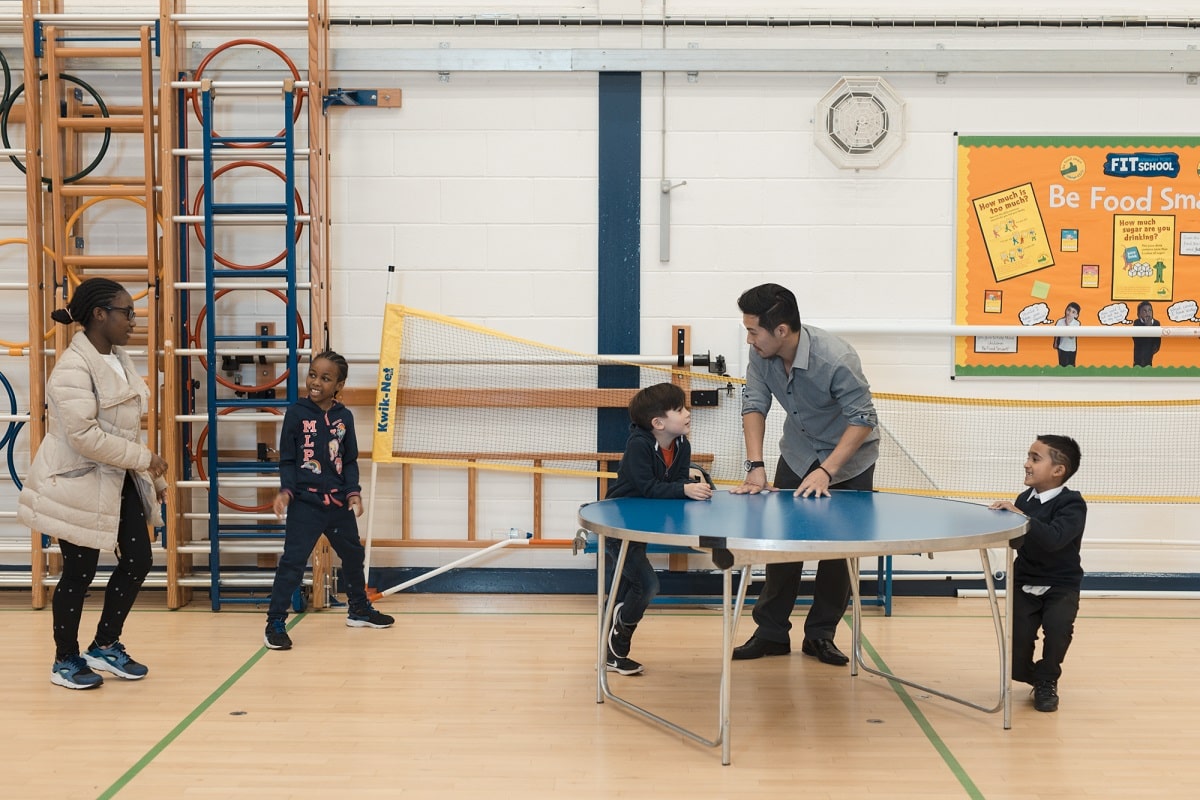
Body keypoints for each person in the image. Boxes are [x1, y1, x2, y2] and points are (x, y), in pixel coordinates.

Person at [18, 278, 168, 689]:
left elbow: (123, 431)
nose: (134, 320)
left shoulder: (120, 358)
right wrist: (145, 459)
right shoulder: (72, 367)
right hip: (76, 483)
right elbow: (85, 437)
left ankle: (104, 645)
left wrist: (148, 479)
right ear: (99, 314)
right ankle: (64, 660)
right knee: (79, 571)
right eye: (127, 312)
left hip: (117, 478)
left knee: (138, 561)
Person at [731, 284, 879, 667]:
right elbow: (754, 403)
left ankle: (820, 636)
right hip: (797, 454)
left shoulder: (837, 358)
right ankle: (771, 633)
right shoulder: (760, 354)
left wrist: (828, 471)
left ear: (781, 330)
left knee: (838, 554)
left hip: (849, 460)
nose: (749, 338)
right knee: (782, 546)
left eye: (753, 331)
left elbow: (863, 419)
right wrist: (756, 466)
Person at [264, 350, 394, 650]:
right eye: (313, 375)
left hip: (337, 505)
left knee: (353, 557)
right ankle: (275, 622)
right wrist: (286, 491)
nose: (316, 382)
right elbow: (287, 460)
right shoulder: (296, 413)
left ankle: (359, 610)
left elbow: (349, 461)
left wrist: (353, 493)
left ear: (339, 385)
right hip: (305, 505)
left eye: (325, 378)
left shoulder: (344, 417)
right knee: (293, 563)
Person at [603, 382, 714, 675]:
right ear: (658, 423)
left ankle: (612, 654)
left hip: (644, 525)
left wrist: (692, 485)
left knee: (628, 588)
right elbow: (649, 487)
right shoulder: (638, 445)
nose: (688, 413)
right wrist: (685, 489)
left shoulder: (681, 445)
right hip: (619, 526)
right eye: (680, 409)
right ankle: (617, 640)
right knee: (647, 585)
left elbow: (673, 483)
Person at [989, 435, 1086, 713]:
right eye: (1028, 457)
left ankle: (1047, 680)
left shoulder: (1072, 505)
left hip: (1061, 585)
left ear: (1058, 471)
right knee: (1017, 652)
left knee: (1057, 632)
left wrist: (1020, 517)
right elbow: (1019, 541)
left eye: (1035, 458)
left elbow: (1055, 538)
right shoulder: (1024, 500)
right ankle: (1033, 675)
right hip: (1024, 582)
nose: (1026, 464)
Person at [1132, 301, 1161, 367]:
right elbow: (1136, 339)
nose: (1148, 313)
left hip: (1150, 351)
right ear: (1139, 314)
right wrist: (1146, 327)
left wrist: (1154, 349)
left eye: (1149, 310)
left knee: (1148, 366)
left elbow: (1158, 340)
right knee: (1138, 366)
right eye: (1144, 311)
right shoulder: (1137, 323)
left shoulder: (1156, 323)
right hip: (1139, 352)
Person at [1052, 301, 1081, 367]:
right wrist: (1055, 342)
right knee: (1062, 364)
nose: (1070, 313)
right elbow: (1056, 333)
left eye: (1073, 312)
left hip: (1072, 349)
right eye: (1069, 310)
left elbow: (1071, 336)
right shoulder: (1060, 321)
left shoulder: (1076, 323)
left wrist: (1067, 323)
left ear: (1076, 315)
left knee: (1071, 364)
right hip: (1062, 347)